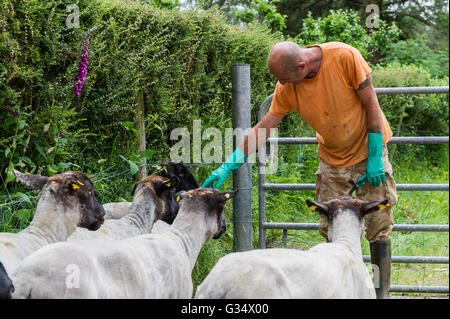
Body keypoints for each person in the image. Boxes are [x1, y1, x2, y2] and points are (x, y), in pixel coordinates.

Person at [202, 41, 397, 299]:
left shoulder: (345, 57)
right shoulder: (287, 87)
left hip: (368, 149)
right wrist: (228, 164)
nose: (282, 84)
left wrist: (374, 155)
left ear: (302, 66)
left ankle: (380, 293)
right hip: (332, 160)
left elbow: (372, 104)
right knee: (333, 227)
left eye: (285, 78)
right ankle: (339, 290)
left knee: (379, 227)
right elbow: (263, 128)